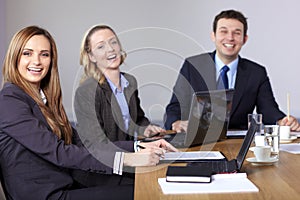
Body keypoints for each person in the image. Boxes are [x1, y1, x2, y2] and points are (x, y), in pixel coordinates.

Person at [0, 26, 177, 200]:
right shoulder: (9, 101)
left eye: (44, 54)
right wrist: (127, 159)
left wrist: (139, 147)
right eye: (27, 53)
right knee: (144, 193)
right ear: (14, 57)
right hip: (47, 194)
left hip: (65, 183)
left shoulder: (44, 100)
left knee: (145, 184)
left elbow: (82, 142)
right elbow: (59, 151)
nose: (37, 61)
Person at [164, 9, 300, 133]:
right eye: (223, 31)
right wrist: (175, 123)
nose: (230, 38)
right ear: (213, 35)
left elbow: (268, 110)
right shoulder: (192, 66)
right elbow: (175, 107)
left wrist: (283, 121)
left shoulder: (256, 73)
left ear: (244, 39)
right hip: (197, 141)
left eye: (237, 33)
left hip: (237, 143)